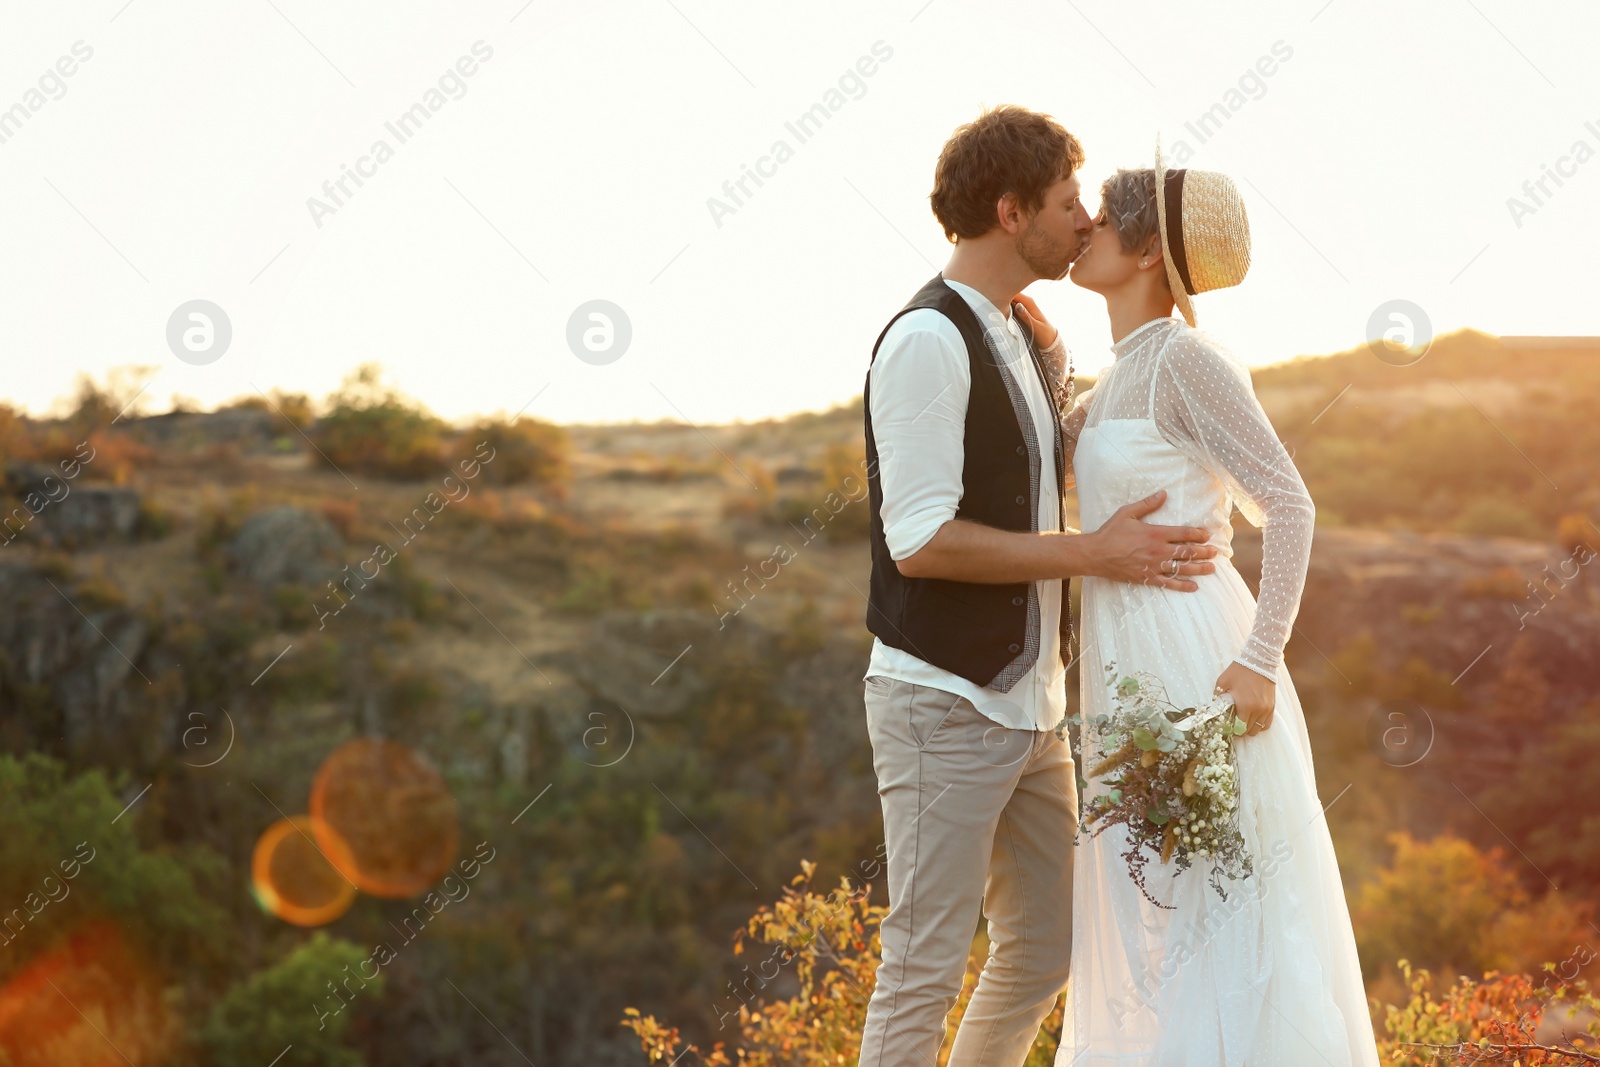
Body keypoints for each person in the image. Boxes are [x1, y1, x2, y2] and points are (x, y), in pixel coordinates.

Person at [857, 106, 1223, 1067]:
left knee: (1046, 948)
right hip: (942, 699)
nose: (1084, 220)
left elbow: (1022, 464)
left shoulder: (1021, 332)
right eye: (1067, 204)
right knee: (924, 963)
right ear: (1012, 211)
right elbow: (921, 542)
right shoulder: (928, 341)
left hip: (1029, 706)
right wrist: (1090, 553)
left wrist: (1057, 366)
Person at [1046, 147, 1380, 1065]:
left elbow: (1291, 501)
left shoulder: (1188, 361)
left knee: (1221, 906)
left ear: (1147, 253)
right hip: (1125, 665)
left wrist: (1261, 655)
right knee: (1155, 902)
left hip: (1201, 660)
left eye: (1104, 220)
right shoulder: (1115, 374)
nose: (1086, 230)